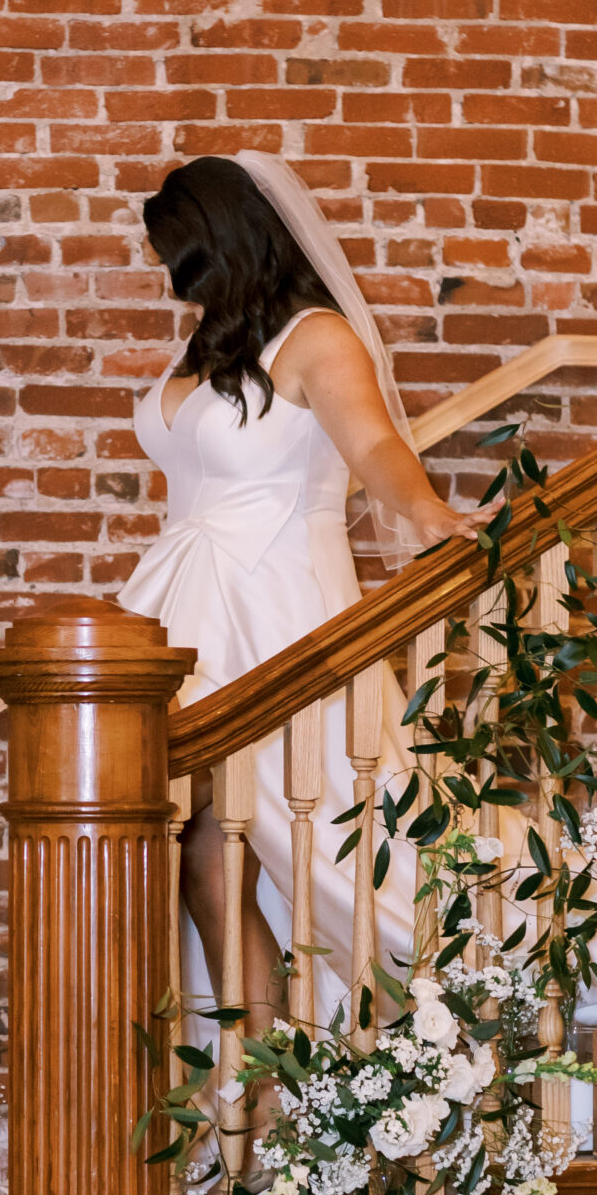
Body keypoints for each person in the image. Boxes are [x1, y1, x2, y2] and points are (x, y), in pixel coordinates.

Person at [119, 152, 482, 1043]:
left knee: (327, 843)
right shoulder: (210, 343)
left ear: (227, 240)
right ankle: (256, 1093)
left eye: (184, 257)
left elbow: (375, 448)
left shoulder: (318, 339)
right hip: (179, 608)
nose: (174, 281)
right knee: (204, 855)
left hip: (273, 610)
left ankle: (470, 975)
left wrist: (428, 511)